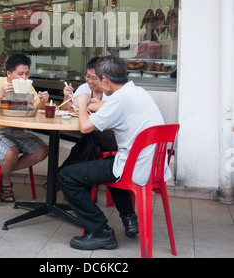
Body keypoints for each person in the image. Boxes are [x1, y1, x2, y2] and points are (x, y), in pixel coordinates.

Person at [58, 55, 169, 251]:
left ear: (105, 80)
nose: (97, 83)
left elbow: (85, 127)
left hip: (133, 167)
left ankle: (101, 232)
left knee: (66, 175)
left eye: (98, 79)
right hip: (152, 167)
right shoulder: (139, 91)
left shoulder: (119, 100)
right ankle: (128, 217)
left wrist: (82, 103)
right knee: (108, 162)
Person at [0, 54, 49, 203]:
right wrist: (1, 94)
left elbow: (38, 108)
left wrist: (42, 101)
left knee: (42, 151)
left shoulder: (27, 87)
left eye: (27, 73)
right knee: (11, 151)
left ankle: (0, 173)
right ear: (9, 74)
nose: (24, 78)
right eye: (20, 74)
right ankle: (6, 180)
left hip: (13, 131)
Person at [60, 57, 117, 168]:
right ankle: (83, 182)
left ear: (104, 78)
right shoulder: (84, 88)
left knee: (92, 133)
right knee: (93, 149)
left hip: (114, 136)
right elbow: (66, 110)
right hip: (93, 137)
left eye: (94, 78)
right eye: (87, 76)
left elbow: (108, 107)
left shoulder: (112, 90)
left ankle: (61, 173)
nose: (90, 81)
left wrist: (84, 103)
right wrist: (67, 97)